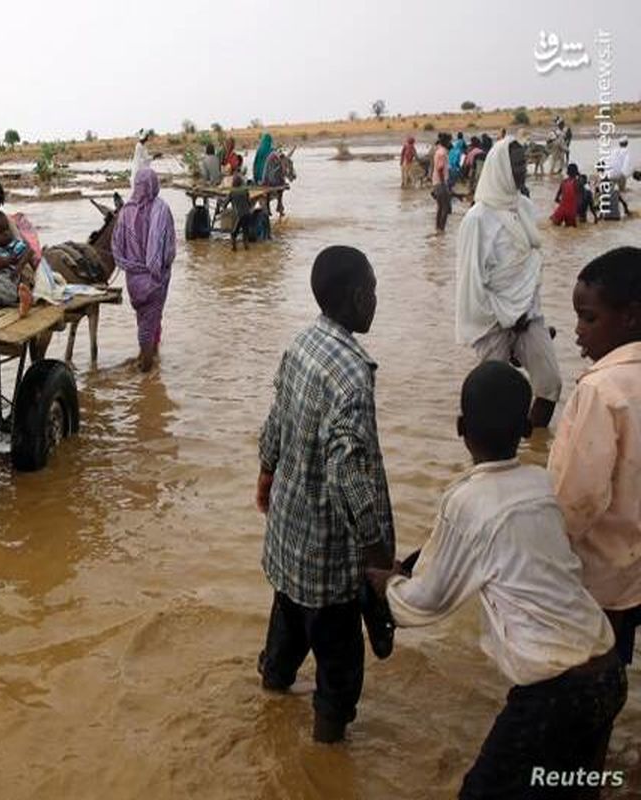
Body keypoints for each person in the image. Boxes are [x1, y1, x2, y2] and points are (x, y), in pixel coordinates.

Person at [368, 362, 624, 799]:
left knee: (481, 792)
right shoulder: (543, 486)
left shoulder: (466, 501)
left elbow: (424, 602)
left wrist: (384, 585)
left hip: (554, 691)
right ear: (527, 428)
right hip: (607, 666)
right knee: (571, 787)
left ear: (460, 427)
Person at [255, 246, 394, 744]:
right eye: (373, 292)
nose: (376, 301)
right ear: (358, 298)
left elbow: (277, 418)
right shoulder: (354, 374)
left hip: (289, 539)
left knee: (286, 635)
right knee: (339, 672)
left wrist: (266, 471)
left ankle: (271, 697)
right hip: (330, 562)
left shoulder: (303, 342)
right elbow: (347, 473)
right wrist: (377, 550)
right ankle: (325, 757)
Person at [549, 247, 641, 667]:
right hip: (635, 571)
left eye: (589, 318)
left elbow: (578, 497)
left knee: (592, 674)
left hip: (600, 578)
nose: (578, 331)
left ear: (630, 317)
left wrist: (545, 552)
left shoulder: (601, 391)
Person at [455, 138, 560, 428]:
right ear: (500, 169)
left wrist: (524, 312)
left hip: (529, 314)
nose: (523, 170)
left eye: (524, 163)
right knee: (492, 397)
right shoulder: (477, 220)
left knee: (550, 385)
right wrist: (507, 317)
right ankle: (495, 462)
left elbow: (528, 266)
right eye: (516, 165)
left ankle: (533, 444)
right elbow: (472, 283)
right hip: (494, 320)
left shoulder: (524, 207)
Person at [110, 167, 176, 372]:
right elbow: (166, 249)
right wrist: (157, 269)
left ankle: (151, 358)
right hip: (155, 280)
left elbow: (117, 250)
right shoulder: (161, 209)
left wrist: (132, 265)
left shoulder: (125, 211)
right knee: (148, 326)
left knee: (144, 319)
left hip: (133, 281)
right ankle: (147, 373)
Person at [432, 133, 453, 232]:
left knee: (440, 208)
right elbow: (440, 169)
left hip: (437, 182)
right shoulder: (442, 153)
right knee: (445, 208)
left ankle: (438, 229)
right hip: (441, 183)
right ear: (446, 141)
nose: (451, 143)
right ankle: (441, 229)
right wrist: (444, 184)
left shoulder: (438, 152)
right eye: (450, 141)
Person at [551, 163, 581, 227]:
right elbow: (580, 200)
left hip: (561, 209)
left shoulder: (563, 182)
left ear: (567, 172)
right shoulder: (577, 183)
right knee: (571, 232)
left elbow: (556, 199)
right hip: (571, 211)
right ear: (576, 172)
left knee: (554, 228)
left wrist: (563, 204)